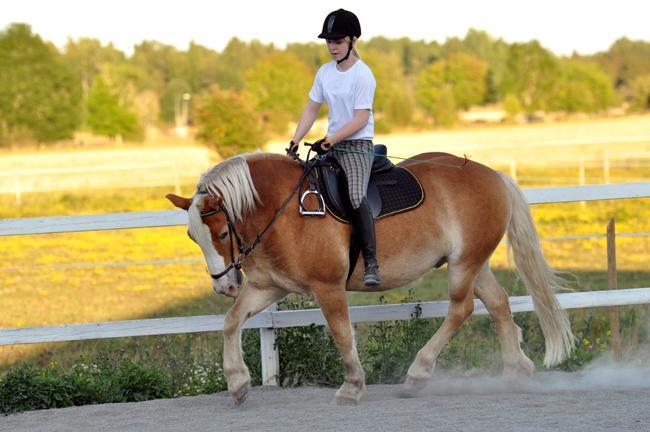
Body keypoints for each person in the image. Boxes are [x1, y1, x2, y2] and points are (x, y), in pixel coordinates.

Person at [287, 8, 380, 286]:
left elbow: (361, 117)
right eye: (329, 42)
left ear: (352, 40)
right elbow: (311, 109)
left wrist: (331, 140)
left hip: (357, 146)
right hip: (332, 145)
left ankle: (372, 262)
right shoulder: (324, 72)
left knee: (354, 196)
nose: (332, 47)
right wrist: (293, 140)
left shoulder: (363, 75)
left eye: (337, 41)